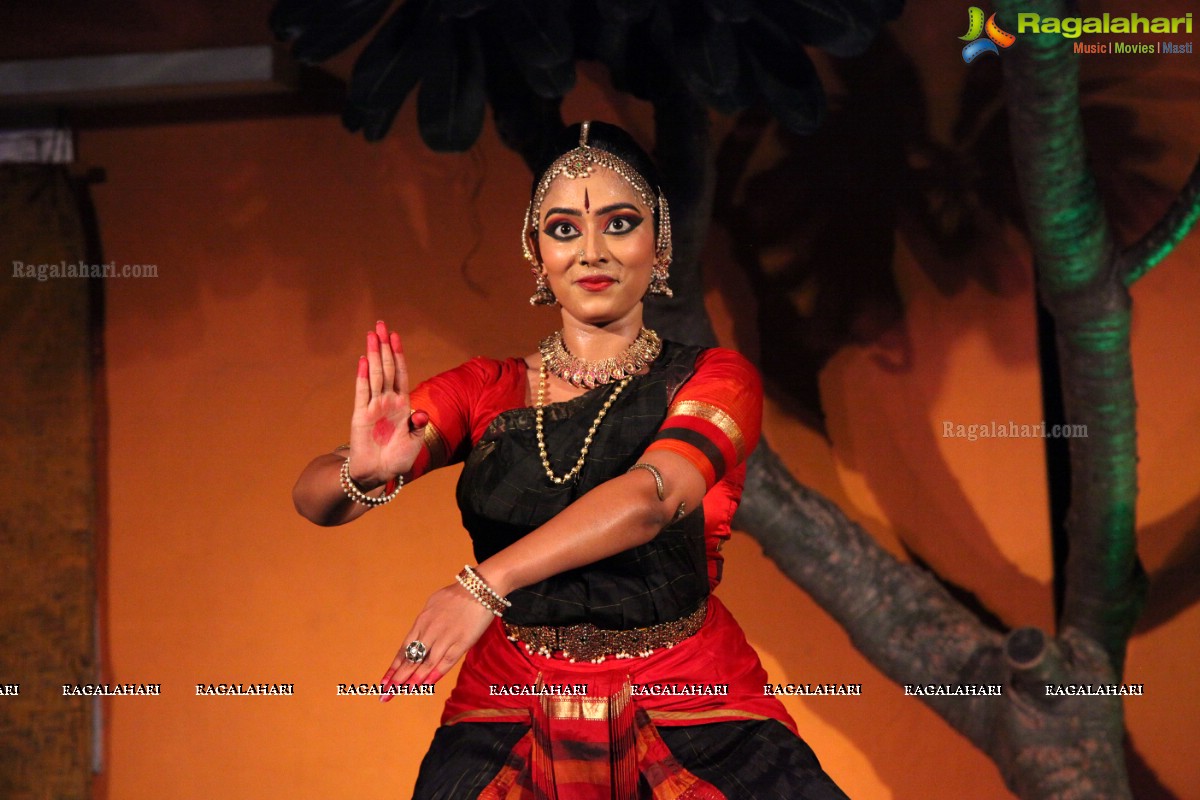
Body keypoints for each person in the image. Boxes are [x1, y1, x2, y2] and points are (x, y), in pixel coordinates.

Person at [293, 121, 849, 799]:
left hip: (690, 693)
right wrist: (364, 470)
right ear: (536, 252)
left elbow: (651, 499)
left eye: (620, 223)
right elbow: (315, 500)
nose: (592, 251)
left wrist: (481, 587)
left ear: (660, 242)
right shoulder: (485, 390)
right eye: (563, 229)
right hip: (513, 696)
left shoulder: (711, 380)